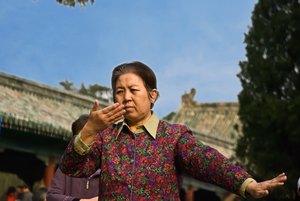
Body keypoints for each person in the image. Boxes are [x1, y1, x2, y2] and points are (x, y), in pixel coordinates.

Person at [59, 61, 287, 200]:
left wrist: (246, 184)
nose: (126, 97)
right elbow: (72, 168)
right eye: (119, 91)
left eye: (133, 90)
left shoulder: (172, 136)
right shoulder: (106, 138)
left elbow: (207, 161)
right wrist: (89, 130)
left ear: (152, 95)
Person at [47, 114, 100, 201]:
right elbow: (52, 196)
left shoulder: (108, 168)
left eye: (91, 136)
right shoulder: (67, 166)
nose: (87, 142)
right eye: (82, 137)